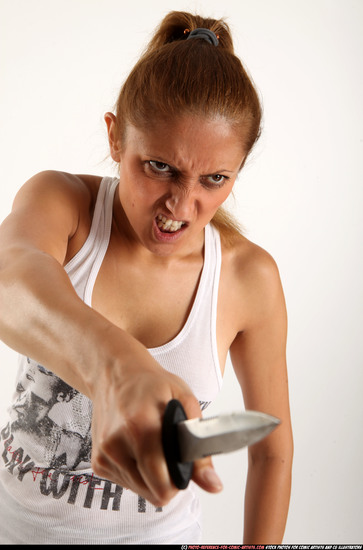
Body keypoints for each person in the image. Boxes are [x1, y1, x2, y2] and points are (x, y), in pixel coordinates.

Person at [0, 11, 293, 544]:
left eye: (214, 178)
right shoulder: (63, 205)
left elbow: (271, 451)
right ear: (115, 139)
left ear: (239, 169)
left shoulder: (250, 278)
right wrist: (117, 368)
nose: (181, 205)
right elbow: (7, 283)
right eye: (159, 167)